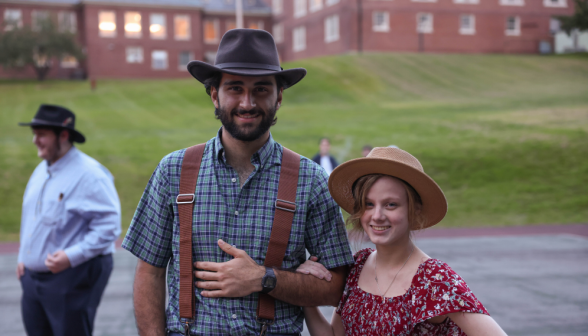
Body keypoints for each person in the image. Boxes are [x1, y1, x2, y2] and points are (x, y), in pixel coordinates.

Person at [122, 29, 354, 336]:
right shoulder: (173, 171)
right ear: (215, 94)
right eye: (235, 88)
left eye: (260, 89)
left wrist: (264, 278)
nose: (247, 102)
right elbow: (149, 272)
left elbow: (336, 287)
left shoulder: (310, 180)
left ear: (279, 96)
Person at [297, 147, 507, 336]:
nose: (377, 215)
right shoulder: (358, 266)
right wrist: (305, 292)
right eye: (369, 204)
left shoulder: (433, 279)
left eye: (390, 204)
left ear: (414, 209)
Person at [17, 104, 121, 336]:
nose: (35, 140)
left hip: (72, 277)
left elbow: (109, 226)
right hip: (33, 281)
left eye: (42, 134)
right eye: (35, 134)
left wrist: (70, 256)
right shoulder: (41, 170)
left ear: (63, 135)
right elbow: (32, 217)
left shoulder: (90, 175)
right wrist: (25, 256)